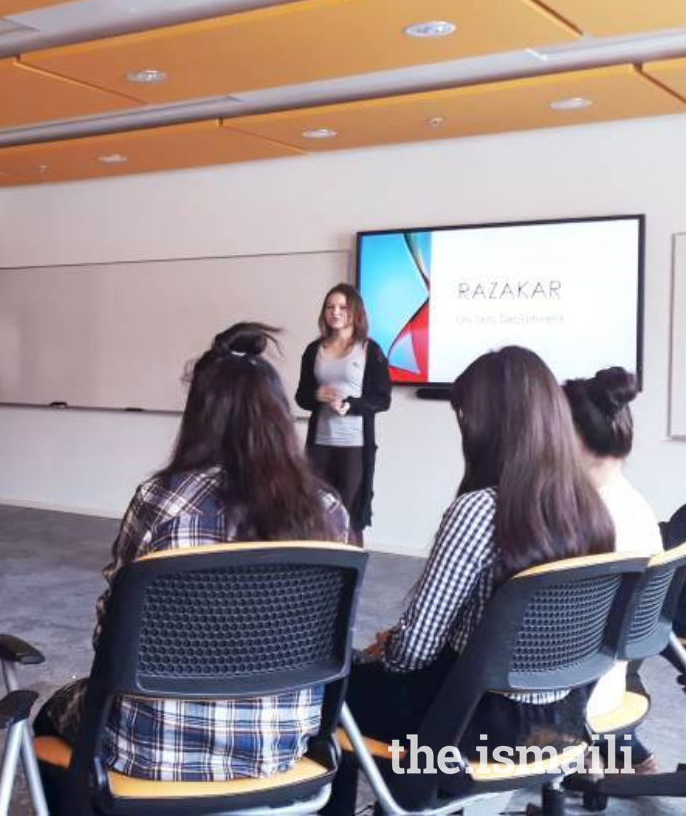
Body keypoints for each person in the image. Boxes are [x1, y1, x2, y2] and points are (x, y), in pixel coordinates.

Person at [34, 322, 349, 783]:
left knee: (48, 718)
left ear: (200, 414)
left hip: (153, 745)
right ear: (280, 415)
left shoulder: (164, 500)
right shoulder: (328, 513)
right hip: (281, 745)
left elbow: (112, 635)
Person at [326, 347, 616, 814]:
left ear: (488, 425)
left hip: (469, 724)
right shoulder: (590, 509)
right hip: (558, 719)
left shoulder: (480, 509)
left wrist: (385, 652)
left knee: (334, 687)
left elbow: (414, 652)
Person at [564, 367, 662, 773]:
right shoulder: (636, 507)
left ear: (571, 437)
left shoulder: (586, 522)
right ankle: (623, 753)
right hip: (610, 687)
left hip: (563, 699)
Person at [296, 283, 391, 545]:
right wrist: (317, 396)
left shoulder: (370, 350)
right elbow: (301, 396)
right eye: (330, 307)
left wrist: (352, 404)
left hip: (355, 446)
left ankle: (351, 573)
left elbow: (383, 399)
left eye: (342, 307)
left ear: (355, 312)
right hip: (320, 444)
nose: (335, 312)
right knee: (317, 510)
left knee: (349, 514)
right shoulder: (313, 350)